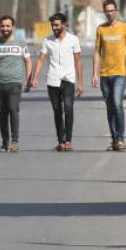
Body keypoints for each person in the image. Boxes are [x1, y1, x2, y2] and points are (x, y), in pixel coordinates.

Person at [30, 12, 84, 152]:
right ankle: (61, 140)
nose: (54, 27)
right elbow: (41, 59)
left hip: (68, 80)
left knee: (68, 108)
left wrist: (80, 83)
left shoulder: (73, 40)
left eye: (56, 25)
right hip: (53, 81)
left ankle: (68, 141)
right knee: (57, 111)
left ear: (64, 24)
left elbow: (78, 61)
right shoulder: (48, 41)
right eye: (52, 25)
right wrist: (35, 77)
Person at [0, 15, 31, 153]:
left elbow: (28, 61)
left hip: (15, 83)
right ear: (0, 27)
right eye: (3, 26)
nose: (5, 28)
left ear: (13, 27)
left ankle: (15, 141)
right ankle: (5, 142)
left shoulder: (21, 43)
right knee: (2, 113)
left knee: (13, 109)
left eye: (8, 26)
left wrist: (28, 79)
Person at [92, 0, 126, 151]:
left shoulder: (125, 28)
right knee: (110, 107)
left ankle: (121, 138)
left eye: (112, 10)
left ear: (117, 11)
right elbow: (97, 52)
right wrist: (95, 74)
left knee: (117, 104)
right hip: (105, 74)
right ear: (104, 12)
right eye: (107, 11)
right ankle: (114, 139)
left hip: (120, 74)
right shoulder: (101, 29)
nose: (110, 13)